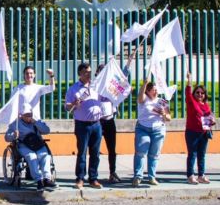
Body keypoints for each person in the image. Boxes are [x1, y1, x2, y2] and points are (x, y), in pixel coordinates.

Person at [64, 62, 105, 190]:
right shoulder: (73, 89)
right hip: (82, 125)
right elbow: (66, 107)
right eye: (86, 72)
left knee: (95, 153)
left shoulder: (96, 86)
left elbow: (106, 98)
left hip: (97, 124)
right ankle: (80, 178)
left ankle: (93, 179)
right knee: (82, 152)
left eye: (89, 72)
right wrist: (73, 104)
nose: (89, 74)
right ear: (80, 74)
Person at [94, 55, 134, 184]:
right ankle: (93, 174)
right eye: (101, 71)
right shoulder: (94, 86)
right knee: (95, 149)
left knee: (112, 149)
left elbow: (123, 76)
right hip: (97, 122)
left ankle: (113, 172)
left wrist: (129, 61)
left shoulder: (112, 85)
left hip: (109, 120)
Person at [5, 103, 55, 190]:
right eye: (26, 115)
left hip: (37, 144)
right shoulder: (15, 124)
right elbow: (7, 137)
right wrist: (14, 135)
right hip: (24, 145)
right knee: (32, 157)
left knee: (45, 156)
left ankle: (47, 179)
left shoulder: (36, 121)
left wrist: (36, 123)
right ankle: (39, 180)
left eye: (30, 115)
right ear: (21, 115)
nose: (29, 117)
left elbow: (47, 131)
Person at [132, 78, 171, 187]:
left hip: (158, 130)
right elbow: (140, 97)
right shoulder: (144, 99)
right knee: (140, 153)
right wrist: (144, 83)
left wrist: (164, 114)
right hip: (143, 128)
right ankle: (138, 176)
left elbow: (169, 118)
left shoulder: (162, 101)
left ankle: (152, 176)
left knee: (154, 154)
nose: (156, 91)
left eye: (157, 90)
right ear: (148, 91)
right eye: (153, 90)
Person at [184, 71, 215, 184]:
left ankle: (201, 175)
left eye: (202, 93)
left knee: (202, 155)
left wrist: (212, 120)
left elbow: (209, 117)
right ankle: (190, 176)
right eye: (197, 92)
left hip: (204, 133)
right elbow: (188, 93)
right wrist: (189, 80)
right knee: (192, 154)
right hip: (192, 132)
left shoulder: (206, 105)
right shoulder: (191, 102)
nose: (200, 95)